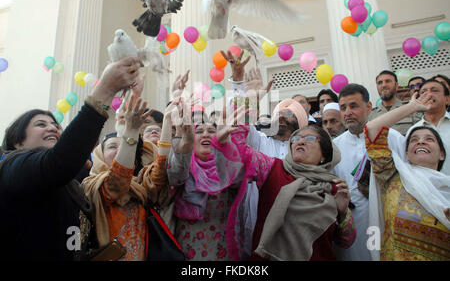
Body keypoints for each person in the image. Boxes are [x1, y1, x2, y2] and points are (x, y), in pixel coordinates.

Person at [0, 56, 143, 260]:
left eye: (56, 125)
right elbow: (59, 162)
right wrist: (106, 90)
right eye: (40, 124)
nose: (52, 127)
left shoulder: (73, 183)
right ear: (17, 141)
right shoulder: (13, 168)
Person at [230, 123, 356, 261]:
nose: (300, 141)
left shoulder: (335, 187)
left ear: (324, 156)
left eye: (309, 138)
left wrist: (343, 214)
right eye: (295, 139)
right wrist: (242, 119)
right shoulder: (271, 168)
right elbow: (238, 151)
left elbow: (346, 242)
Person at [81, 94, 175, 261]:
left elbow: (159, 169)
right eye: (112, 147)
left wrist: (167, 121)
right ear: (100, 155)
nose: (119, 150)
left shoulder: (140, 185)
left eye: (124, 145)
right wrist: (131, 131)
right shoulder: (93, 185)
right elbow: (118, 182)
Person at [364, 91, 450, 260]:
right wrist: (412, 107)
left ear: (442, 154)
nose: (421, 142)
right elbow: (372, 129)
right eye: (414, 139)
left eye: (429, 139)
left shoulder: (447, 188)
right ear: (407, 154)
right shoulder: (392, 176)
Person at [166, 100, 250, 261]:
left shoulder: (227, 165)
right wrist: (184, 145)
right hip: (187, 250)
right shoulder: (184, 164)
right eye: (199, 131)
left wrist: (223, 144)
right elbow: (175, 176)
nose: (205, 134)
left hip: (226, 250)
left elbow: (238, 180)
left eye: (211, 130)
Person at [333, 83, 406, 261]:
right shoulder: (335, 147)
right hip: (354, 223)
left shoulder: (392, 137)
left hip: (386, 215)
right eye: (343, 108)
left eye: (353, 106)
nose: (347, 112)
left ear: (369, 107)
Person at [222, 50, 308, 159]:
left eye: (289, 114)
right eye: (278, 114)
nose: (281, 116)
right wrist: (238, 83)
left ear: (300, 123)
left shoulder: (305, 148)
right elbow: (239, 122)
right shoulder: (259, 140)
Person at [407, 78, 450, 175]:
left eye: (435, 91)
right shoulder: (413, 131)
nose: (429, 94)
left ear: (447, 99)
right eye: (423, 92)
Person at [369, 70, 421, 135]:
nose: (384, 85)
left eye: (387, 81)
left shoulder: (411, 109)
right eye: (380, 83)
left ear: (396, 85)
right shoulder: (370, 115)